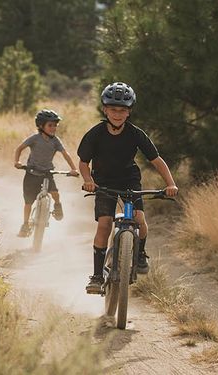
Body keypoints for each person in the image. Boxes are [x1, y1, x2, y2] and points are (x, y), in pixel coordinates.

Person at [77, 82, 179, 294]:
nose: (117, 114)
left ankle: (140, 253)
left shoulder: (135, 133)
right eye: (113, 109)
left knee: (139, 220)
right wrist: (88, 180)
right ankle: (97, 275)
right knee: (104, 224)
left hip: (128, 179)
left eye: (122, 110)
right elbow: (83, 162)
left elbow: (156, 160)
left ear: (129, 111)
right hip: (103, 181)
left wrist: (170, 183)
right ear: (105, 109)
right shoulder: (95, 134)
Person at [14, 109, 80, 237]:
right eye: (50, 125)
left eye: (55, 125)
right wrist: (17, 161)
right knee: (28, 202)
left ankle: (57, 205)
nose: (53, 128)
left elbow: (65, 154)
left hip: (47, 173)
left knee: (55, 193)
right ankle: (25, 224)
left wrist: (73, 169)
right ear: (40, 126)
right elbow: (19, 148)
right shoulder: (34, 138)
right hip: (31, 172)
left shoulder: (55, 141)